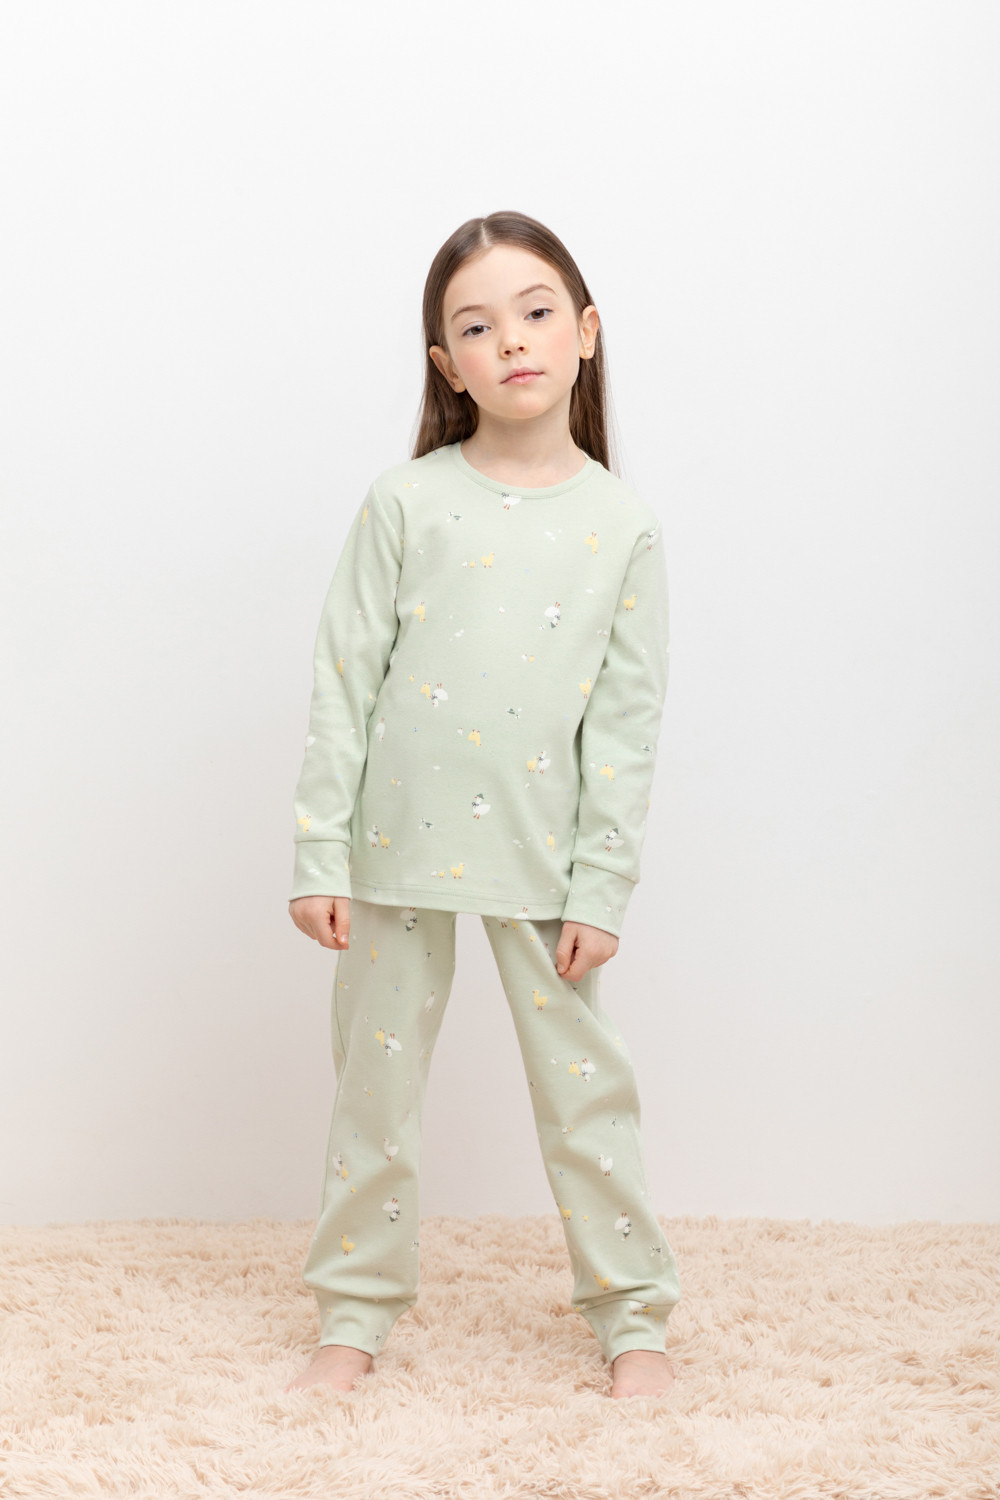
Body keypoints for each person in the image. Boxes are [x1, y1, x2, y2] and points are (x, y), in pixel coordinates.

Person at [283, 210, 681, 1400]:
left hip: (541, 859)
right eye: (476, 325)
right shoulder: (404, 503)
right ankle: (353, 1311)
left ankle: (631, 1316)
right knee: (375, 1094)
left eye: (536, 311)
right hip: (393, 849)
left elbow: (625, 725)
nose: (510, 339)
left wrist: (601, 884)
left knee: (584, 1095)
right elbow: (344, 682)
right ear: (445, 365)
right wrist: (319, 853)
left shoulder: (620, 526)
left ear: (585, 331)